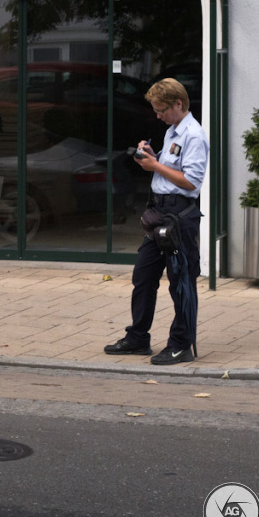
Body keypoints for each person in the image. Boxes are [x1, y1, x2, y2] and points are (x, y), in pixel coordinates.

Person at [104, 77, 208, 365]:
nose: (158, 115)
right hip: (160, 214)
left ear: (179, 103)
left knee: (181, 282)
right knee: (144, 276)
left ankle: (180, 345)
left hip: (179, 216)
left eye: (162, 109)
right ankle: (138, 338)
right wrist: (153, 156)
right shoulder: (173, 131)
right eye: (156, 110)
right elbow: (169, 167)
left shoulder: (194, 136)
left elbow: (190, 182)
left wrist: (155, 165)